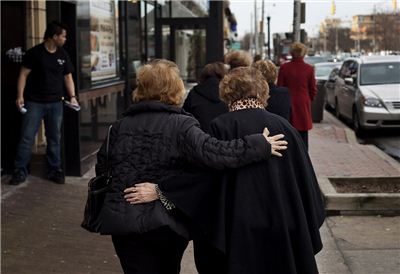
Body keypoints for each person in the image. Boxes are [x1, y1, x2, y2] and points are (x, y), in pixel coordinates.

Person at [95, 59, 288, 274]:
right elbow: (215, 153)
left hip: (123, 220)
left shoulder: (119, 126)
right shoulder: (181, 125)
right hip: (164, 221)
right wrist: (259, 144)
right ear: (175, 88)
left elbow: (103, 168)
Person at [128, 67, 325, 274]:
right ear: (263, 92)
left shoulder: (220, 126)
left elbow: (201, 178)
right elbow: (308, 187)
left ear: (226, 93)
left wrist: (162, 191)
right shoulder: (285, 128)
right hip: (284, 229)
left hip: (235, 232)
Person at [10, 21, 79, 185]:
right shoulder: (35, 53)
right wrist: (19, 96)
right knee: (27, 138)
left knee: (54, 138)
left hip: (56, 103)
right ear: (54, 36)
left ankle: (55, 170)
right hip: (34, 103)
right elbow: (23, 75)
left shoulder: (62, 55)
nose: (65, 39)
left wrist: (73, 96)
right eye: (63, 36)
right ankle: (20, 170)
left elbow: (68, 77)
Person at [277, 42, 317, 150]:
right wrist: (309, 99)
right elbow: (313, 89)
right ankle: (304, 159)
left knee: (288, 133)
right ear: (304, 53)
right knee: (303, 136)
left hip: (287, 103)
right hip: (303, 103)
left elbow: (280, 87)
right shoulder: (309, 69)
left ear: (291, 52)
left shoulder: (284, 68)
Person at [182, 62, 228, 131]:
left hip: (198, 137)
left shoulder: (194, 93)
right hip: (223, 137)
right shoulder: (228, 93)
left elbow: (184, 116)